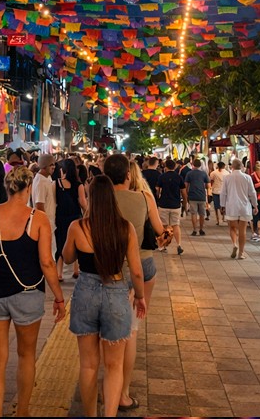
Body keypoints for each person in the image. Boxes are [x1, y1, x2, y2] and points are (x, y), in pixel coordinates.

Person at [0, 167, 66, 417]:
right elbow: (47, 262)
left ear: (7, 187)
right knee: (26, 355)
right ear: (28, 188)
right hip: (28, 293)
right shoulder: (38, 218)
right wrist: (59, 296)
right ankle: (22, 411)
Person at [62, 176, 147, 417]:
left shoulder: (77, 227)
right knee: (114, 365)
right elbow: (137, 271)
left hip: (86, 293)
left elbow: (68, 258)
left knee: (88, 365)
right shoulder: (125, 228)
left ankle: (91, 414)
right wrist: (140, 297)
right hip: (116, 292)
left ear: (90, 198)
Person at [107, 155, 167, 413]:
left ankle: (109, 384)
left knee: (109, 333)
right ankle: (123, 393)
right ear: (130, 175)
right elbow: (160, 232)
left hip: (109, 269)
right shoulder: (145, 198)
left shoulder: (102, 199)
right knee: (131, 330)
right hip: (141, 266)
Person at [53, 158, 84, 282]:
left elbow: (54, 202)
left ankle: (59, 273)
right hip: (75, 217)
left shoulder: (56, 183)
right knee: (76, 243)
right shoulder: (79, 185)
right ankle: (76, 270)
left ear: (62, 170)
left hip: (61, 217)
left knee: (61, 243)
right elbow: (82, 202)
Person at [221, 159, 256, 259]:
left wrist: (222, 205)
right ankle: (241, 253)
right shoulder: (247, 177)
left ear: (232, 167)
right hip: (244, 207)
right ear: (241, 167)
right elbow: (252, 193)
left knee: (232, 227)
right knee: (243, 230)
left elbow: (223, 193)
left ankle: (234, 244)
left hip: (231, 206)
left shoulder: (227, 177)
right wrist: (255, 205)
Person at [155, 159, 185, 255]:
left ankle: (162, 246)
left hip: (163, 204)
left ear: (165, 167)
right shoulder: (179, 177)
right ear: (175, 167)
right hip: (175, 205)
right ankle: (179, 244)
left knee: (163, 226)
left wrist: (158, 198)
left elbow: (158, 190)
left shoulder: (162, 177)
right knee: (176, 225)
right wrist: (185, 203)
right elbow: (183, 192)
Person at [184, 157, 209, 236]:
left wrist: (186, 194)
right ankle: (201, 229)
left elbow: (186, 185)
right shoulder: (204, 173)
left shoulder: (189, 173)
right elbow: (208, 185)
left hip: (192, 195)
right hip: (202, 196)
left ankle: (195, 229)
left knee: (193, 213)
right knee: (202, 214)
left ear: (193, 164)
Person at [209, 161, 226, 225]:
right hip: (224, 192)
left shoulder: (213, 173)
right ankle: (223, 217)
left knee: (216, 206)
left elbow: (211, 181)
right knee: (223, 205)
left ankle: (218, 219)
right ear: (224, 166)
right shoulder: (227, 173)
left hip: (215, 191)